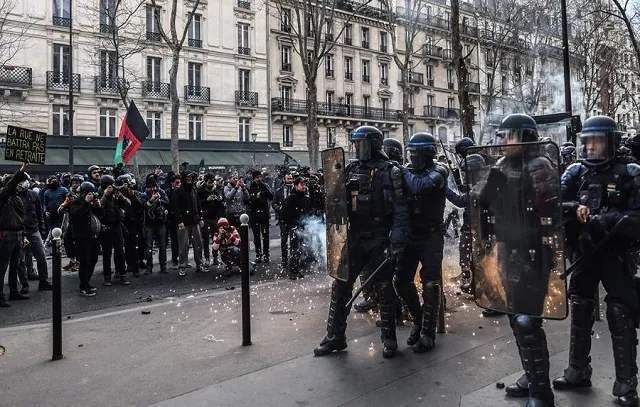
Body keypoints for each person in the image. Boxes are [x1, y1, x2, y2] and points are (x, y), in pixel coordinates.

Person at [553, 116, 640, 407]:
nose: (591, 147)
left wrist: (610, 219)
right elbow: (555, 204)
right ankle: (578, 369)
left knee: (619, 312)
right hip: (585, 250)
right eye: (587, 141)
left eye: (597, 141)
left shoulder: (630, 172)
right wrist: (574, 209)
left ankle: (627, 383)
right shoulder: (575, 172)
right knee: (579, 305)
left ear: (611, 142)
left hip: (616, 253)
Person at [474, 114, 559, 406]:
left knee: (528, 322)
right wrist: (489, 183)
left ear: (524, 137)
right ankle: (530, 376)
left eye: (510, 136)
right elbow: (480, 202)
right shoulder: (501, 165)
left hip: (533, 253)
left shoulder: (539, 166)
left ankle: (541, 392)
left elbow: (549, 212)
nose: (504, 142)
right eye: (503, 136)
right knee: (515, 319)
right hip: (508, 250)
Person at [313, 125, 408, 359]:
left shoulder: (391, 171)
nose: (356, 148)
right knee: (341, 285)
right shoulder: (351, 169)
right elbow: (335, 201)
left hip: (379, 236)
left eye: (360, 144)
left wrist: (396, 240)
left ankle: (389, 338)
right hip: (355, 236)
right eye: (354, 144)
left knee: (384, 288)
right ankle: (335, 336)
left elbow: (401, 209)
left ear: (373, 145)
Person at [393, 132, 449, 353]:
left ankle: (428, 331)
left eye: (416, 153)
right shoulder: (408, 171)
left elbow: (419, 186)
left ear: (428, 153)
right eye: (411, 153)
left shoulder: (439, 170)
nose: (412, 157)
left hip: (431, 236)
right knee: (401, 281)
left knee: (431, 283)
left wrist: (403, 170)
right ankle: (418, 320)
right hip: (410, 234)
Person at [0, 163, 29, 307]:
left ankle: (13, 291)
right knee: (2, 266)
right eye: (16, 183)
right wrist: (20, 172)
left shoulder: (17, 198)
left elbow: (21, 218)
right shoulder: (3, 196)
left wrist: (23, 235)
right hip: (6, 234)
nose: (19, 186)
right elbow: (9, 188)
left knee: (15, 265)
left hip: (17, 233)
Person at [69, 182, 103, 297]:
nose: (92, 195)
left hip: (94, 237)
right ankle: (83, 286)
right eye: (89, 193)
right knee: (84, 262)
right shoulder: (76, 203)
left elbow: (99, 216)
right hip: (82, 238)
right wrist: (86, 202)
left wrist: (98, 206)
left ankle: (87, 282)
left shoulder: (91, 203)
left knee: (93, 260)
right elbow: (77, 214)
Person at [172, 171, 205, 276]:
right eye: (187, 178)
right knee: (183, 245)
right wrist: (179, 221)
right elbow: (176, 208)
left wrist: (200, 218)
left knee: (198, 244)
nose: (189, 180)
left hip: (194, 221)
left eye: (190, 179)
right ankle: (182, 266)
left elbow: (198, 205)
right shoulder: (178, 192)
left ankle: (199, 264)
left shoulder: (193, 190)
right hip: (184, 222)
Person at [280, 177, 311, 279]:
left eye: (304, 185)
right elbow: (285, 213)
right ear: (296, 185)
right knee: (294, 249)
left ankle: (296, 269)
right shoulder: (292, 197)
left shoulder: (304, 198)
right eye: (301, 185)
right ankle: (293, 271)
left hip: (301, 226)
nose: (303, 187)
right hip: (294, 226)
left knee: (299, 249)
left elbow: (306, 212)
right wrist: (292, 225)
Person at [141, 177, 169, 274]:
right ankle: (149, 266)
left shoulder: (161, 192)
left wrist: (160, 200)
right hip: (149, 224)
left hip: (160, 223)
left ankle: (163, 265)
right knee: (149, 246)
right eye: (151, 187)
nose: (153, 189)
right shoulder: (144, 194)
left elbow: (167, 202)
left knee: (162, 245)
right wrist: (151, 200)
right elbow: (143, 206)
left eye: (154, 187)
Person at [247, 170, 274, 263]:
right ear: (253, 178)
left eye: (260, 177)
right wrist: (254, 198)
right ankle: (258, 254)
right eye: (257, 177)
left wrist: (265, 187)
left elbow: (271, 196)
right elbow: (247, 200)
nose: (259, 179)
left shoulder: (265, 186)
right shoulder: (250, 187)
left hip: (264, 214)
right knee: (256, 237)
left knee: (265, 236)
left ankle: (266, 254)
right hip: (254, 214)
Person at [273, 173, 294, 270]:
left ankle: (294, 259)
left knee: (294, 240)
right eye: (288, 178)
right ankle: (284, 260)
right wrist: (279, 208)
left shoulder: (294, 190)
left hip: (293, 218)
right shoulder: (279, 191)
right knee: (284, 240)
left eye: (291, 178)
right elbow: (274, 203)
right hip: (283, 218)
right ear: (284, 179)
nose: (290, 180)